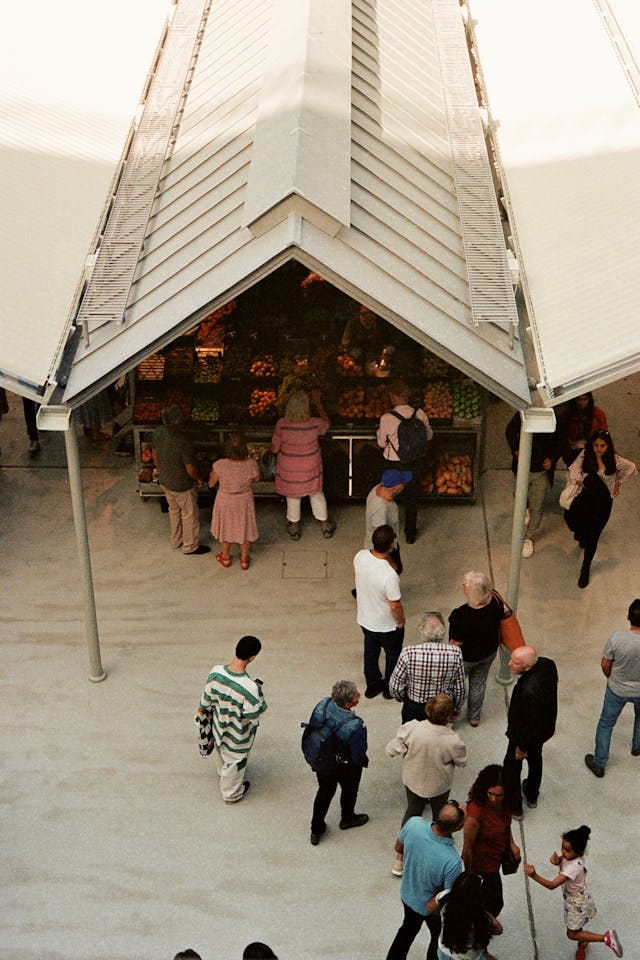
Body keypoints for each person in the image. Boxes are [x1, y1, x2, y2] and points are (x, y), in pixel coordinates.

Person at [386, 694, 467, 876]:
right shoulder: (452, 740)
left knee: (412, 813)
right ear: (449, 716)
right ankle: (440, 852)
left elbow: (392, 748)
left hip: (413, 780)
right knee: (440, 816)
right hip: (439, 785)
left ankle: (400, 857)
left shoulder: (412, 728)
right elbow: (462, 761)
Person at [524, 825, 623, 958]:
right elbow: (564, 860)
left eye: (567, 850)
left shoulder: (574, 867)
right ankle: (583, 942)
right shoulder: (571, 857)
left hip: (577, 903)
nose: (563, 852)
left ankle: (606, 938)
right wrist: (558, 861)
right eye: (562, 848)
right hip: (575, 899)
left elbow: (552, 885)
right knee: (577, 928)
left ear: (579, 853)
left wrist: (534, 875)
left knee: (571, 934)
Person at [385, 800, 465, 960]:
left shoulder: (413, 824)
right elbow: (447, 896)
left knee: (407, 930)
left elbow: (398, 848)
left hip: (408, 896)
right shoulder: (452, 861)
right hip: (432, 909)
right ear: (458, 827)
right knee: (437, 937)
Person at [196, 635, 267, 803]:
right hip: (237, 736)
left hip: (218, 726)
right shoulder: (250, 688)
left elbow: (205, 700)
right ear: (252, 657)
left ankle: (223, 772)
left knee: (221, 751)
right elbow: (254, 717)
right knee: (235, 762)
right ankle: (232, 794)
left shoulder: (215, 672)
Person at [563, 429, 636, 588]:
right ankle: (581, 535)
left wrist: (618, 483)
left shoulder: (614, 460)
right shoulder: (586, 454)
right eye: (596, 445)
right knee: (569, 518)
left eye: (602, 445)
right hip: (585, 498)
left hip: (602, 504)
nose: (599, 449)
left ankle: (586, 567)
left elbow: (631, 467)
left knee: (593, 536)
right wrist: (578, 480)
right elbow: (574, 468)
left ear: (608, 446)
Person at [308, 680, 369, 845]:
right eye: (356, 694)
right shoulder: (355, 725)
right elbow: (358, 755)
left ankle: (316, 829)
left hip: (322, 760)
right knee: (349, 791)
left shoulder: (324, 704)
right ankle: (347, 818)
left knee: (324, 792)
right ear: (348, 704)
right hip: (345, 765)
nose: (359, 695)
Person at [584, 597, 640, 778]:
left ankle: (599, 763)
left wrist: (610, 677)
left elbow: (605, 663)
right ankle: (637, 747)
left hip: (617, 689)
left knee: (606, 724)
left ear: (628, 616)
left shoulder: (616, 638)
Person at [271, 388, 335, 540]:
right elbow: (327, 424)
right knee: (316, 493)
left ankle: (294, 527)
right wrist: (318, 404)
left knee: (293, 495)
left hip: (289, 469)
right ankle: (325, 525)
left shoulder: (282, 424)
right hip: (310, 467)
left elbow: (274, 449)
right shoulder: (314, 423)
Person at [503, 645, 558, 818]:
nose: (509, 664)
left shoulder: (529, 692)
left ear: (527, 667)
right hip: (543, 730)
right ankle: (532, 794)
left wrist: (522, 747)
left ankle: (515, 806)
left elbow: (530, 723)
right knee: (536, 760)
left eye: (515, 662)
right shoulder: (548, 665)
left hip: (523, 736)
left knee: (512, 767)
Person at [377, 378, 433, 543]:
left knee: (388, 495)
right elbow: (429, 435)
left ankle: (386, 531)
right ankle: (410, 533)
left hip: (393, 462)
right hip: (413, 462)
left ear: (394, 397)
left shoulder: (386, 418)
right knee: (411, 497)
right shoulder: (420, 413)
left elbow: (381, 443)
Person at [462, 765, 520, 919]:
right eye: (491, 794)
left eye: (499, 795)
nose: (494, 799)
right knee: (493, 904)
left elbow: (505, 824)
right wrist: (470, 876)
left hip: (496, 859)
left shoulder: (505, 803)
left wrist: (511, 843)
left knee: (493, 904)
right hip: (482, 867)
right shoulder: (475, 812)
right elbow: (467, 849)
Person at [354, 524, 405, 699]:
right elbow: (395, 605)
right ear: (391, 546)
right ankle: (389, 689)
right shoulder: (389, 575)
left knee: (370, 653)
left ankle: (373, 685)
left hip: (365, 619)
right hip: (387, 625)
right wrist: (400, 621)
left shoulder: (360, 556)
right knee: (392, 655)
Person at [152, 404, 210, 555]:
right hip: (182, 485)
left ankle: (176, 540)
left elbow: (155, 456)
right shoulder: (183, 441)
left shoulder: (158, 432)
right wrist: (199, 479)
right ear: (178, 421)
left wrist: (162, 471)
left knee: (174, 510)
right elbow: (190, 468)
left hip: (165, 481)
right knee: (189, 514)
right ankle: (190, 546)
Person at [389, 612, 465, 723]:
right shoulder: (455, 653)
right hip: (441, 707)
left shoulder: (408, 653)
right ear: (443, 631)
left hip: (414, 706)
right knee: (438, 733)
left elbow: (395, 687)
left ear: (421, 630)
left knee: (411, 732)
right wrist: (455, 708)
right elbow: (460, 688)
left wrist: (404, 699)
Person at [448, 572, 503, 727]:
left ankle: (452, 713)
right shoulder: (496, 603)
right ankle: (474, 717)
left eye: (465, 585)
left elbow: (455, 643)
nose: (462, 586)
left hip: (465, 658)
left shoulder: (460, 615)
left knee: (456, 686)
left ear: (473, 592)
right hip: (488, 653)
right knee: (478, 684)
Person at [505, 412, 560, 558]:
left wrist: (552, 459)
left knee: (537, 504)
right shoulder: (524, 413)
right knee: (520, 497)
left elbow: (560, 441)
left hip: (541, 471)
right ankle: (525, 509)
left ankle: (529, 537)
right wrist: (515, 450)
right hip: (523, 467)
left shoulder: (553, 417)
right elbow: (510, 431)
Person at [208, 432, 259, 569]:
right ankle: (244, 559)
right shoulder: (251, 464)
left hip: (225, 500)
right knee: (245, 527)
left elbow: (211, 484)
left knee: (226, 528)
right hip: (244, 500)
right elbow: (257, 478)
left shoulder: (219, 465)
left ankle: (225, 557)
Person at [437, 871, 503, 960]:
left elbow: (429, 907)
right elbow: (499, 930)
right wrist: (482, 910)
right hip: (469, 956)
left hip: (445, 952)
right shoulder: (480, 917)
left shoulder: (445, 898)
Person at [364, 468, 413, 569]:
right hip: (383, 550)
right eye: (402, 482)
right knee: (395, 571)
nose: (404, 484)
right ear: (395, 488)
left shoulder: (378, 488)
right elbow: (381, 540)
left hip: (390, 543)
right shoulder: (380, 509)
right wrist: (390, 561)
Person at [558, 392, 608, 467]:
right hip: (573, 452)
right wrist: (573, 445)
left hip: (593, 451)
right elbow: (562, 436)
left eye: (585, 400)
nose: (581, 403)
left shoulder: (598, 414)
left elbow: (604, 435)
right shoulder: (567, 415)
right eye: (578, 400)